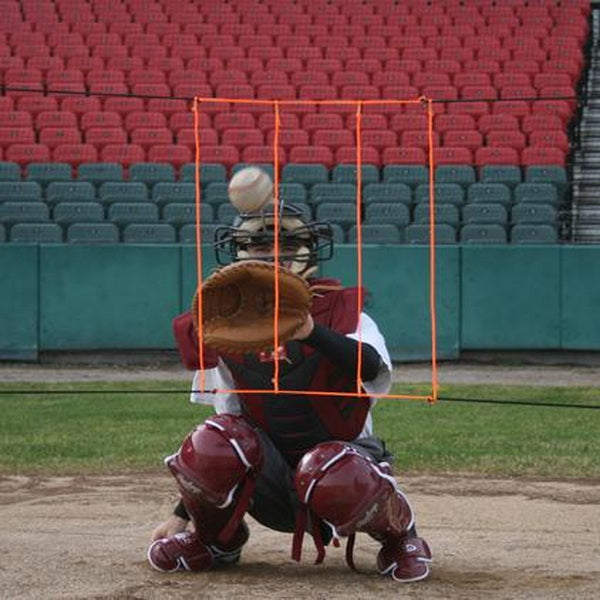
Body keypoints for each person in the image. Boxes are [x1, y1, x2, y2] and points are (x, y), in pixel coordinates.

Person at [148, 168, 432, 583]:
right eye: (259, 244)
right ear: (239, 253)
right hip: (268, 479)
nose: (272, 252)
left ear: (309, 251)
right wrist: (182, 515)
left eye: (284, 243)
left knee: (329, 466)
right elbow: (228, 422)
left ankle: (398, 534)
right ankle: (216, 540)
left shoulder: (343, 312)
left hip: (341, 470)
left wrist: (313, 333)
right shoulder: (227, 324)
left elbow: (372, 368)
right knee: (215, 437)